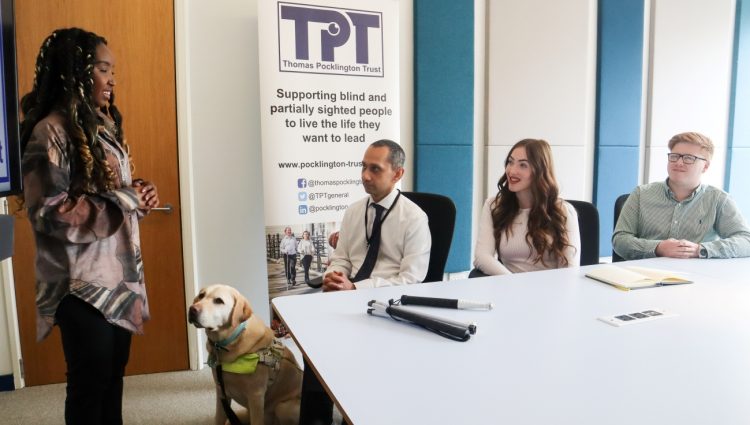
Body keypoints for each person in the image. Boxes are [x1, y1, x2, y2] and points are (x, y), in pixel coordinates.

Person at [20, 28, 159, 424]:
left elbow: (110, 190)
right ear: (74, 73)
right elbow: (49, 214)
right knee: (88, 385)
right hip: (79, 286)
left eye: (111, 69)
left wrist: (140, 193)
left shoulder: (101, 125)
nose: (112, 79)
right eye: (102, 69)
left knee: (112, 376)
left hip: (118, 278)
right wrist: (125, 199)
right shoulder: (49, 132)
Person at [300, 139, 431, 425]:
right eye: (363, 167)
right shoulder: (354, 211)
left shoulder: (414, 218)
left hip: (389, 305)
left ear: (397, 174)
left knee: (361, 365)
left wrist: (356, 288)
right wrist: (336, 274)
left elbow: (412, 279)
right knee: (315, 342)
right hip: (347, 295)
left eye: (375, 169)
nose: (365, 176)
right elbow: (344, 257)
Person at [613, 132, 750, 260]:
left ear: (705, 166)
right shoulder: (641, 194)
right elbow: (620, 240)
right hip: (644, 276)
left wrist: (700, 250)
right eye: (674, 156)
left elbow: (746, 241)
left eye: (689, 158)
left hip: (698, 277)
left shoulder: (719, 199)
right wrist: (657, 248)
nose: (678, 162)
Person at [473, 138, 580, 275]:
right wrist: (515, 285)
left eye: (523, 165)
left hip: (550, 292)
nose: (512, 171)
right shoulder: (494, 206)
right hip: (507, 290)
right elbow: (482, 257)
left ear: (540, 171)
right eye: (510, 162)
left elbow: (569, 270)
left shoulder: (563, 211)